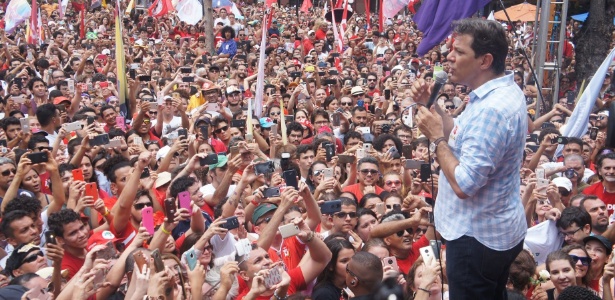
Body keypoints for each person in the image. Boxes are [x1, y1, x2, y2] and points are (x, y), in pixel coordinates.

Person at [413, 18, 526, 299]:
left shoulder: (493, 109)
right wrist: (434, 107)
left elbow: (464, 184)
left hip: (476, 240)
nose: (449, 57)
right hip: (492, 230)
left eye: (459, 51)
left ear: (485, 60)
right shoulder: (493, 95)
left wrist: (436, 138)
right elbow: (460, 138)